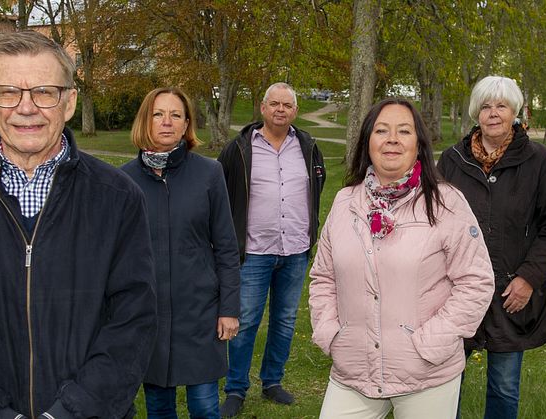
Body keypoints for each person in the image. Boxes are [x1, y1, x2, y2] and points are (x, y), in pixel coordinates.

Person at [0, 30, 158, 419]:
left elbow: (133, 326)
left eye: (44, 92)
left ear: (69, 102)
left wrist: (71, 412)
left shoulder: (117, 197)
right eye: (8, 92)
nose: (26, 108)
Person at [308, 98, 495, 418]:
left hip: (425, 374)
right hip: (354, 371)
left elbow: (476, 281)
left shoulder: (446, 203)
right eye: (382, 130)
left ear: (418, 145)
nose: (392, 138)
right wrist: (331, 332)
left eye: (404, 131)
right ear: (368, 142)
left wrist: (431, 342)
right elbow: (323, 276)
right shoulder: (344, 203)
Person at [437, 76, 546, 419]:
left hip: (512, 292)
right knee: (443, 381)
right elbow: (432, 222)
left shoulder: (540, 161)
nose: (493, 113)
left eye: (501, 106)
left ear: (515, 112)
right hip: (457, 291)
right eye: (485, 106)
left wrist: (529, 278)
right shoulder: (453, 160)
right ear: (475, 113)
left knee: (504, 385)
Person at [120, 87, 240, 419]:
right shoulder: (123, 181)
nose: (167, 122)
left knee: (204, 406)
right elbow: (114, 257)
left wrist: (229, 308)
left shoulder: (209, 173)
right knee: (158, 407)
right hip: (149, 315)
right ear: (146, 120)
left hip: (199, 311)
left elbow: (227, 247)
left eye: (176, 115)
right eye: (158, 114)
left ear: (187, 123)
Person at [217, 82, 326, 417]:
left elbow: (317, 187)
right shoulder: (239, 148)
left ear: (295, 111)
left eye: (288, 105)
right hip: (253, 251)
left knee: (285, 319)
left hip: (294, 250)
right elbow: (220, 194)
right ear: (262, 108)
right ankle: (236, 388)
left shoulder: (307, 146)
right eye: (274, 103)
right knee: (245, 321)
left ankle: (272, 381)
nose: (281, 109)